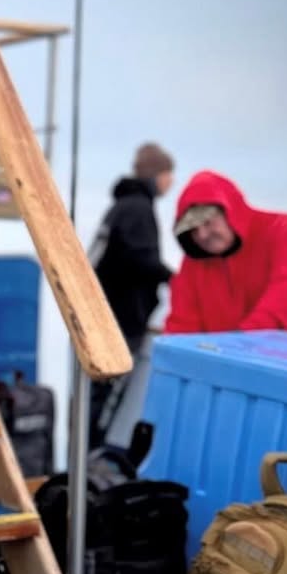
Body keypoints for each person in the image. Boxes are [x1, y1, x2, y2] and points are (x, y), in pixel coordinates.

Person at [89, 142, 175, 446]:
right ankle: (95, 457)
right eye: (168, 174)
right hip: (122, 319)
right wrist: (176, 278)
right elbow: (140, 259)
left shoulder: (121, 207)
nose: (171, 181)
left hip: (105, 315)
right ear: (156, 175)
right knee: (107, 399)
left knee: (95, 396)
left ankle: (88, 455)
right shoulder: (138, 209)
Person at [165, 170, 287, 334]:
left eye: (208, 222)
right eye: (193, 229)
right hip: (225, 355)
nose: (202, 234)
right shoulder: (192, 264)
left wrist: (242, 340)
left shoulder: (282, 231)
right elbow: (181, 326)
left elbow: (286, 291)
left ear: (230, 212)